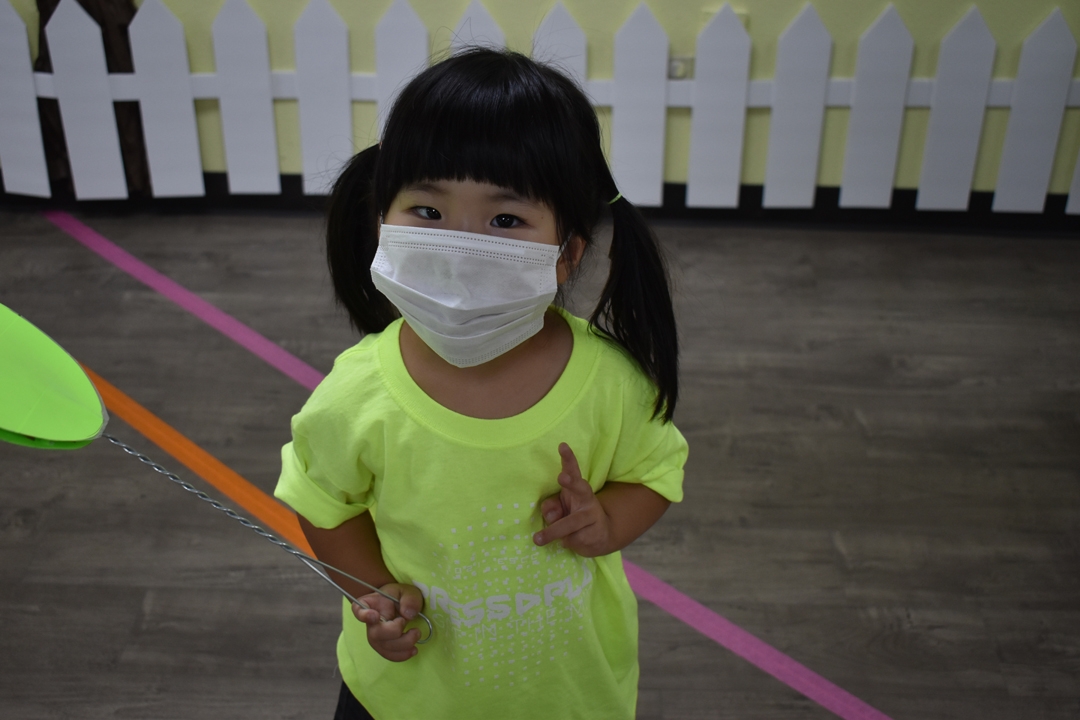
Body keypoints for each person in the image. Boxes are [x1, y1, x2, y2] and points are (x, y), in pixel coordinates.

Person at [275, 47, 688, 720]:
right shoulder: (355, 394)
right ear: (381, 220)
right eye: (427, 212)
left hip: (568, 696)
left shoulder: (610, 382)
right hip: (403, 701)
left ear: (567, 254)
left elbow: (653, 472)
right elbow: (325, 502)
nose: (460, 251)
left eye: (505, 220)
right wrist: (374, 592)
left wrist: (607, 521)